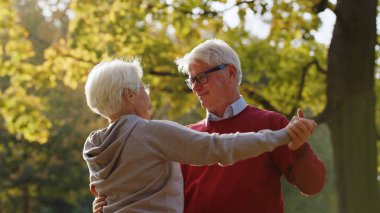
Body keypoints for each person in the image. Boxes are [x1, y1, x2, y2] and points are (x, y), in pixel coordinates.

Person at [84, 58, 316, 213]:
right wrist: (282, 135)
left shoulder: (94, 145)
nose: (147, 93)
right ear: (129, 95)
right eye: (143, 87)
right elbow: (218, 147)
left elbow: (106, 195)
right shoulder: (151, 132)